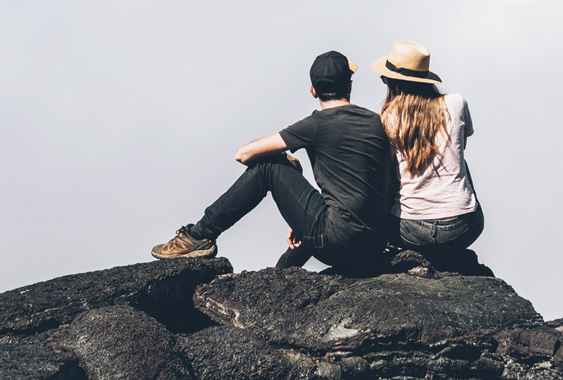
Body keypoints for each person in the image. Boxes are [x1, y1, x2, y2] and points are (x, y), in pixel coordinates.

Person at [152, 50, 398, 273]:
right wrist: (302, 216)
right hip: (375, 243)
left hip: (336, 242)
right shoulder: (377, 123)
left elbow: (244, 154)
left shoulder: (315, 125)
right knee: (326, 221)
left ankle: (198, 236)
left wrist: (286, 159)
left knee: (268, 167)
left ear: (313, 91)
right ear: (350, 86)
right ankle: (280, 275)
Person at [371, 40, 485, 273]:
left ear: (391, 81)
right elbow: (462, 144)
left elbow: (389, 175)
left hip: (409, 231)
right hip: (462, 228)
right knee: (459, 160)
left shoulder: (388, 118)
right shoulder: (456, 103)